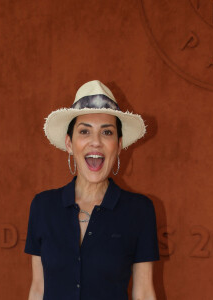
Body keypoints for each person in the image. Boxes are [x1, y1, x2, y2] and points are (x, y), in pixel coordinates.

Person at [24, 80, 160, 300]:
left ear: (119, 144)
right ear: (69, 143)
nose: (95, 142)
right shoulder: (43, 206)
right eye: (85, 131)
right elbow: (38, 289)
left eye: (107, 133)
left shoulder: (139, 211)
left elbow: (144, 293)